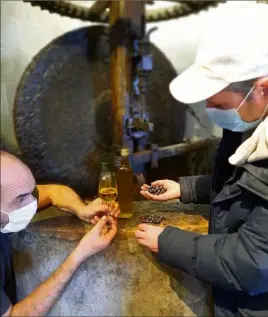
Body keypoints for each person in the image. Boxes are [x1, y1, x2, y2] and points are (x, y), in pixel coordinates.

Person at [136, 4, 268, 317]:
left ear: (262, 89)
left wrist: (169, 243)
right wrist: (188, 189)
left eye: (217, 100)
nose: (208, 107)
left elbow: (255, 263)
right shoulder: (252, 123)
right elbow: (250, 189)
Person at [0, 150, 119, 316]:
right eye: (21, 198)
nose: (32, 203)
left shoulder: (9, 201)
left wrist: (82, 209)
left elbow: (53, 192)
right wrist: (80, 253)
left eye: (31, 192)